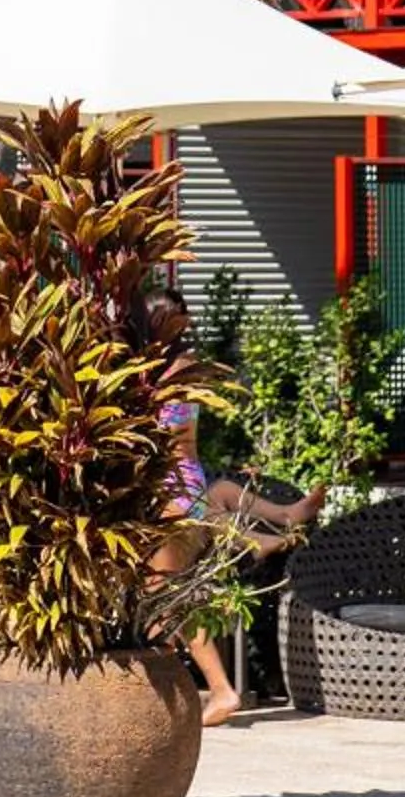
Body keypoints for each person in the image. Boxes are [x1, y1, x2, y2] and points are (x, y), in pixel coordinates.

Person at [135, 290, 325, 725]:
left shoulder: (165, 374)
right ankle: (270, 528)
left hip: (172, 494)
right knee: (162, 596)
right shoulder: (182, 367)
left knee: (168, 597)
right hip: (187, 486)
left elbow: (164, 436)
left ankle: (220, 691)